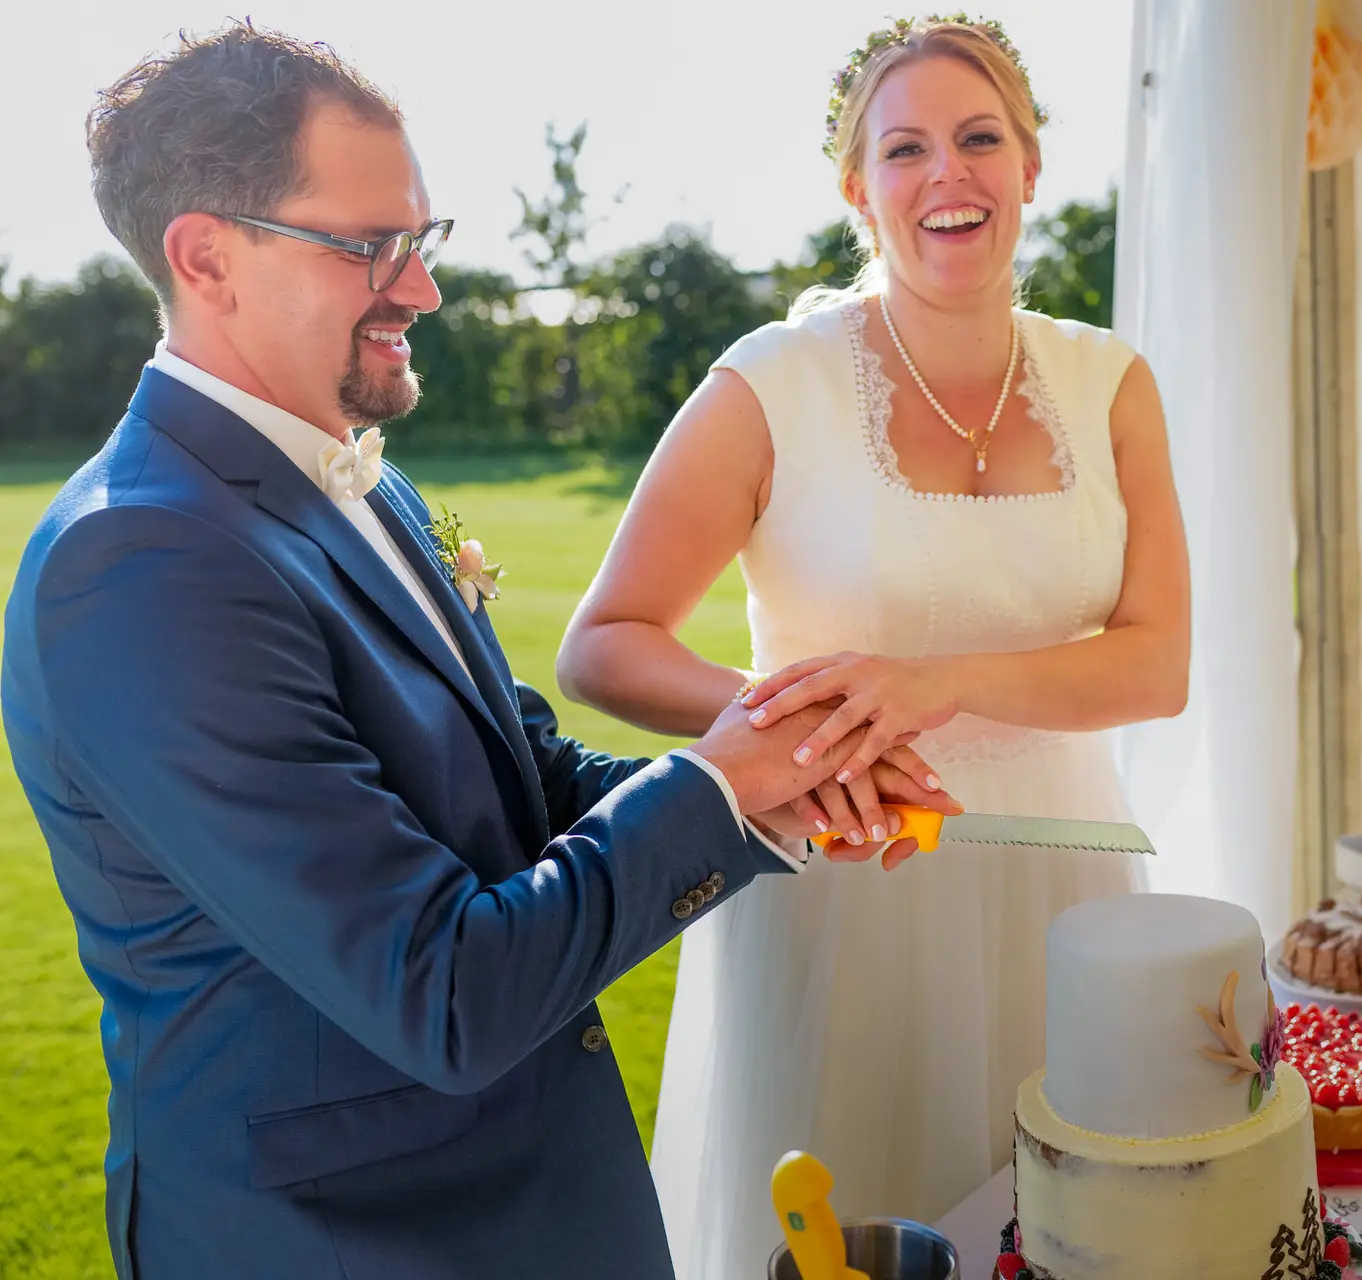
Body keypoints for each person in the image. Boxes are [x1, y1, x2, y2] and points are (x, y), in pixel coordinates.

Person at [0, 23, 953, 1280]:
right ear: (205, 256)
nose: (422, 287)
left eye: (420, 238)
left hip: (529, 1200)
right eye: (369, 245)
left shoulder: (360, 485)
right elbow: (442, 989)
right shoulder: (137, 567)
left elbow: (519, 775)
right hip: (359, 1242)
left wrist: (787, 785)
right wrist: (713, 785)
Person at [555, 15, 1191, 1275]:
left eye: (978, 139)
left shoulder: (1114, 381)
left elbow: (1154, 664)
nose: (947, 174)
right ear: (860, 188)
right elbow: (605, 644)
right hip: (842, 894)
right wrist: (809, 728)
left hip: (1062, 890)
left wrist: (935, 683)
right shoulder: (769, 382)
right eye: (906, 150)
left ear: (1029, 165)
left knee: (1073, 1231)